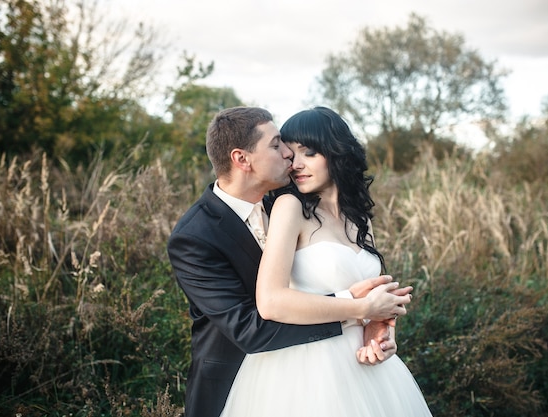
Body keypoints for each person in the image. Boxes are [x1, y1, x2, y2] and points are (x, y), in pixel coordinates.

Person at [167, 106, 414, 417]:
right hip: (268, 374)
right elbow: (251, 328)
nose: (288, 156)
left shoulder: (301, 198)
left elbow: (375, 292)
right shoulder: (196, 236)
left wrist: (380, 330)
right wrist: (359, 309)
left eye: (303, 151)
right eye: (277, 145)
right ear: (242, 159)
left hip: (361, 368)